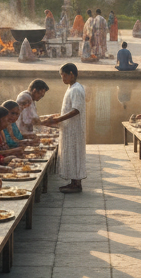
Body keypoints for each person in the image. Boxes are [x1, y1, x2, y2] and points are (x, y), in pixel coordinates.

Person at [45, 63, 86, 193]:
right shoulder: (72, 88)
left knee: (74, 154)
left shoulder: (76, 89)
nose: (63, 79)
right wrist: (57, 116)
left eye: (64, 76)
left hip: (74, 129)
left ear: (71, 74)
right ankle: (73, 182)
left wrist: (58, 119)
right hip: (69, 128)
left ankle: (76, 183)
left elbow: (76, 110)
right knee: (70, 154)